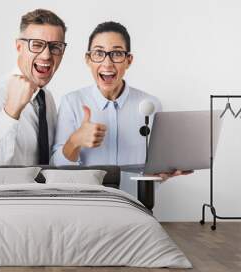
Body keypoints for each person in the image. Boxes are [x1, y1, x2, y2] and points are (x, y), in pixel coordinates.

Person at [51, 21, 191, 180]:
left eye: (116, 54)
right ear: (88, 59)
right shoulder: (72, 102)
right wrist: (75, 141)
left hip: (135, 201)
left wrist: (163, 173)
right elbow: (57, 166)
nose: (107, 63)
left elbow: (156, 167)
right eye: (98, 53)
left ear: (129, 60)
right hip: (88, 201)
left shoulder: (152, 104)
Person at [0, 9, 67, 165]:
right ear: (19, 47)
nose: (46, 55)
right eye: (36, 44)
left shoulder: (47, 99)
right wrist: (11, 111)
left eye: (55, 46)